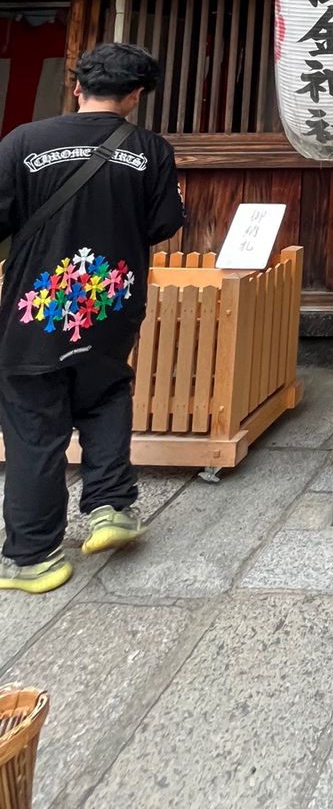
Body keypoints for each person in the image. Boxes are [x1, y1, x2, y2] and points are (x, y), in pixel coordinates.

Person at [0, 43, 185, 593]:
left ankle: (35, 557)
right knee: (105, 394)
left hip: (35, 309)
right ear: (136, 95)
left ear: (77, 86)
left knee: (34, 425)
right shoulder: (150, 150)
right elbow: (164, 223)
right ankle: (110, 508)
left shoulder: (22, 142)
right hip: (109, 303)